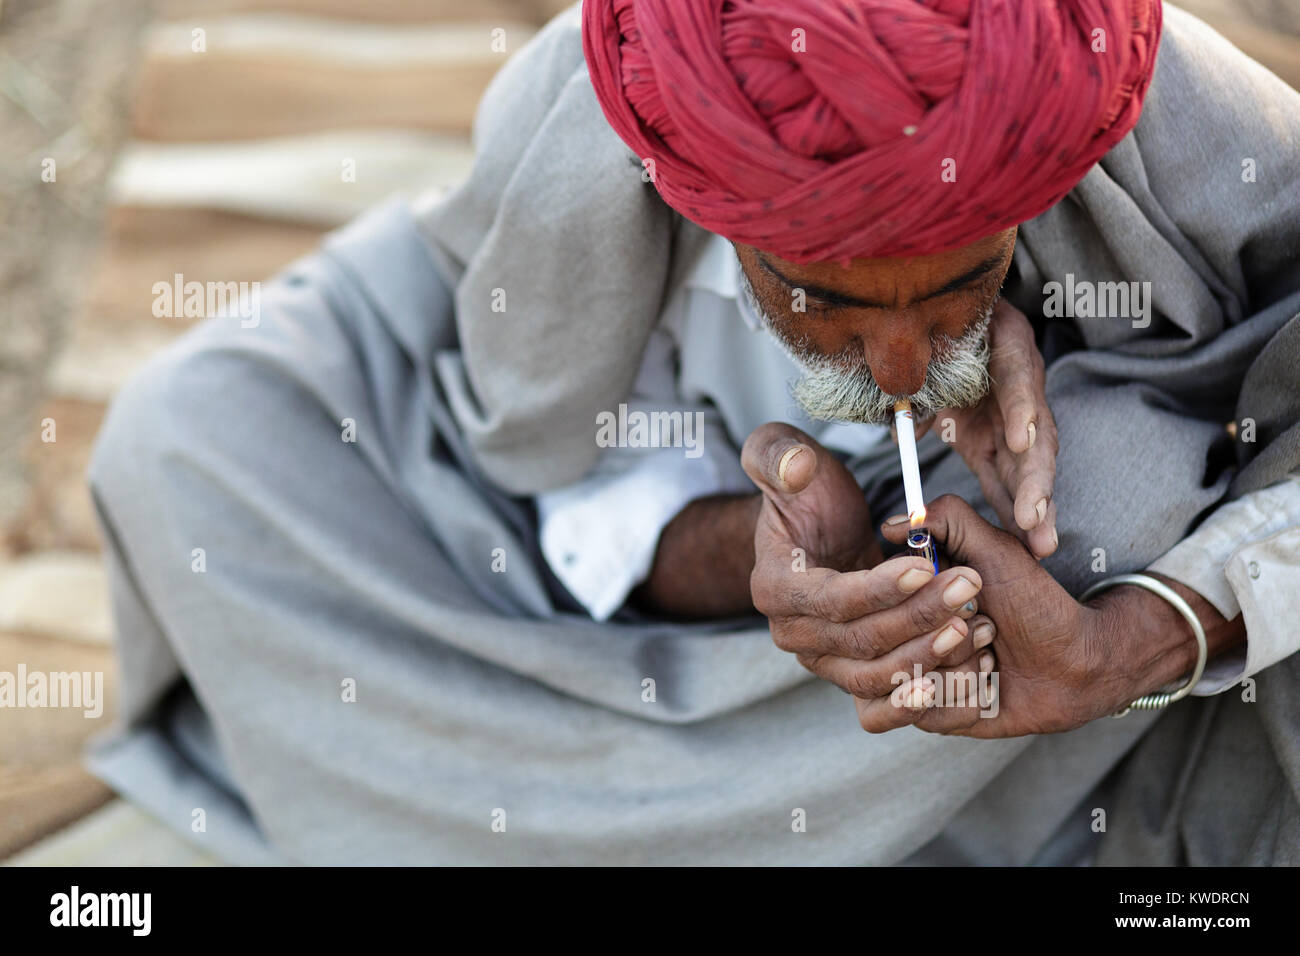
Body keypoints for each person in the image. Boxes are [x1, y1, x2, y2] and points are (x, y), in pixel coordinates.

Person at [86, 1, 1300, 865]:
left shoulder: (1143, 110)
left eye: (953, 285)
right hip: (539, 537)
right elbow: (547, 451)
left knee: (1103, 509)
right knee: (186, 442)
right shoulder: (604, 114)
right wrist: (765, 550)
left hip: (1019, 709)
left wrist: (1141, 641)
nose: (898, 362)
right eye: (818, 298)